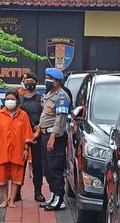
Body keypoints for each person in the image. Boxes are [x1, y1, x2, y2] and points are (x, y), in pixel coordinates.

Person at [0, 90, 33, 208]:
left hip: (18, 151)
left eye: (12, 99)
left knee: (16, 175)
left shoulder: (23, 115)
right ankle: (4, 200)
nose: (9, 101)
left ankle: (12, 200)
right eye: (7, 99)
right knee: (2, 176)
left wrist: (26, 149)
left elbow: (27, 133)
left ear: (17, 101)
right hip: (2, 150)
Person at [39, 68, 70, 211]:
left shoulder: (62, 97)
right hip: (45, 135)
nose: (47, 81)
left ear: (57, 81)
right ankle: (53, 195)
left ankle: (59, 199)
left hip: (55, 137)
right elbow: (45, 116)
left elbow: (60, 119)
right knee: (46, 167)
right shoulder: (49, 94)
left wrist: (52, 137)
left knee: (55, 167)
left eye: (49, 78)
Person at [19, 72, 45, 202]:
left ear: (35, 82)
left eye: (31, 81)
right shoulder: (20, 98)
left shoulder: (42, 98)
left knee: (37, 165)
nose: (29, 83)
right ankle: (17, 192)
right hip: (22, 136)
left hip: (37, 135)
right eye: (26, 81)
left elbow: (47, 115)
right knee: (19, 164)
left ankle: (38, 192)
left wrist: (39, 127)